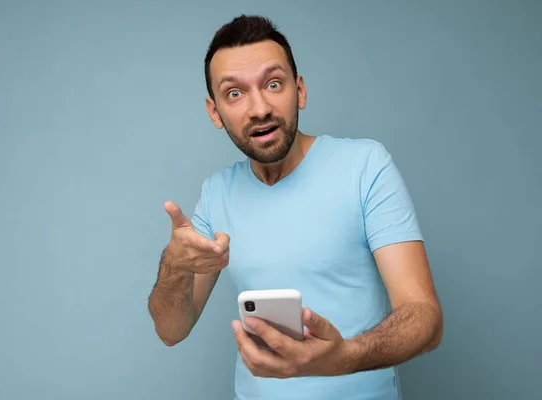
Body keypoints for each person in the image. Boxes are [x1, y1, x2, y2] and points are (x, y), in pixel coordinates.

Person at [148, 14, 443, 400]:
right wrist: (174, 265)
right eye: (234, 93)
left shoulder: (365, 166)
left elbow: (425, 318)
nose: (259, 108)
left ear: (299, 91)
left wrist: (343, 357)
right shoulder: (216, 192)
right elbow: (171, 330)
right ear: (215, 112)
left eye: (273, 84)